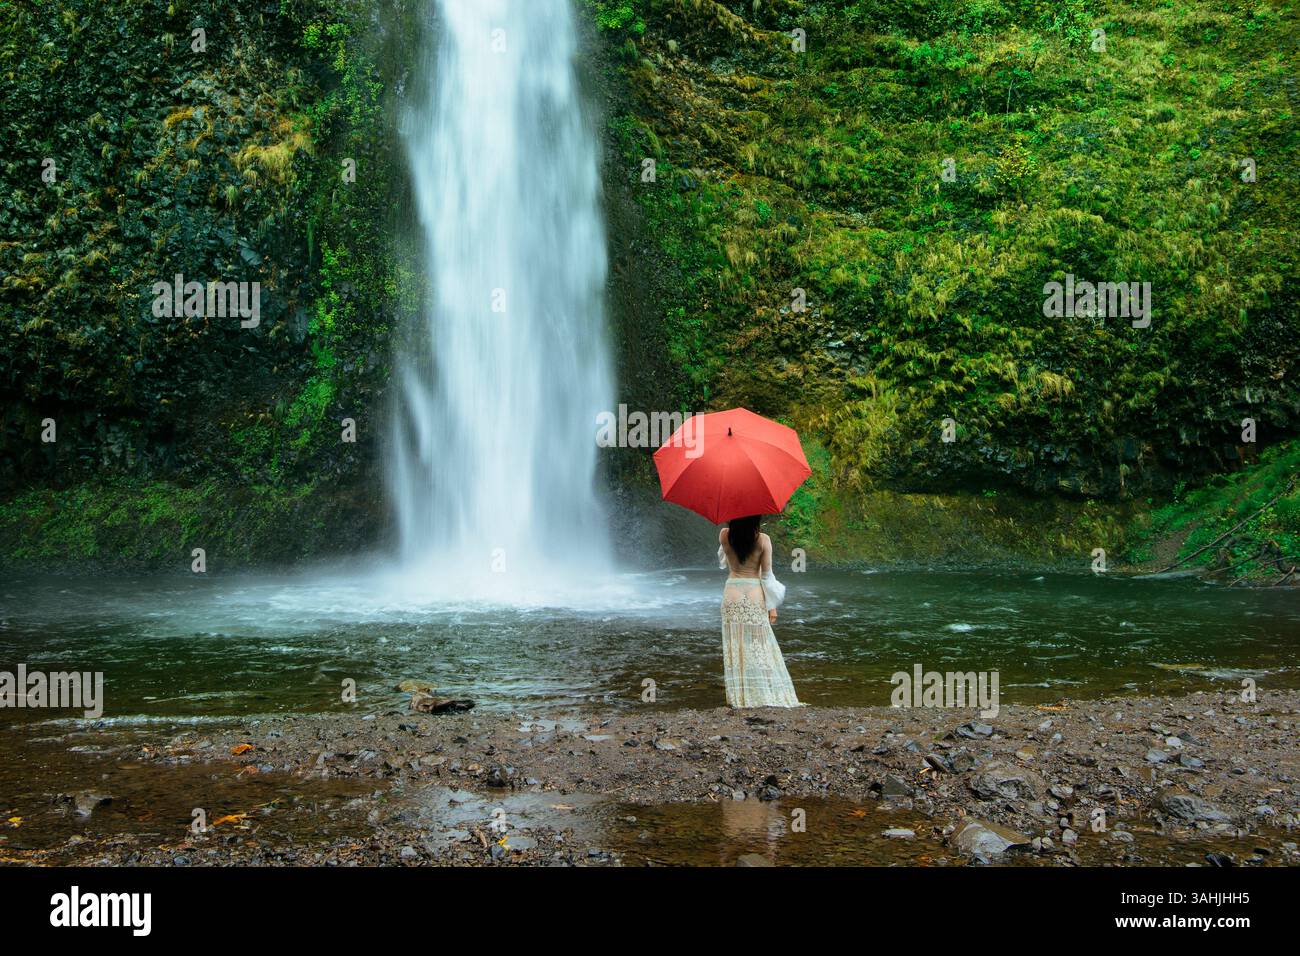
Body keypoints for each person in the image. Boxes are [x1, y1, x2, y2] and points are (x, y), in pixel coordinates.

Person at [717, 515, 800, 708]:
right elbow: (767, 576)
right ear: (756, 519)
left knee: (736, 645)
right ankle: (763, 692)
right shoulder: (763, 539)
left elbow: (723, 561)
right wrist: (772, 606)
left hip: (732, 592)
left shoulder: (724, 535)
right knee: (760, 645)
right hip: (754, 592)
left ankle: (740, 697)